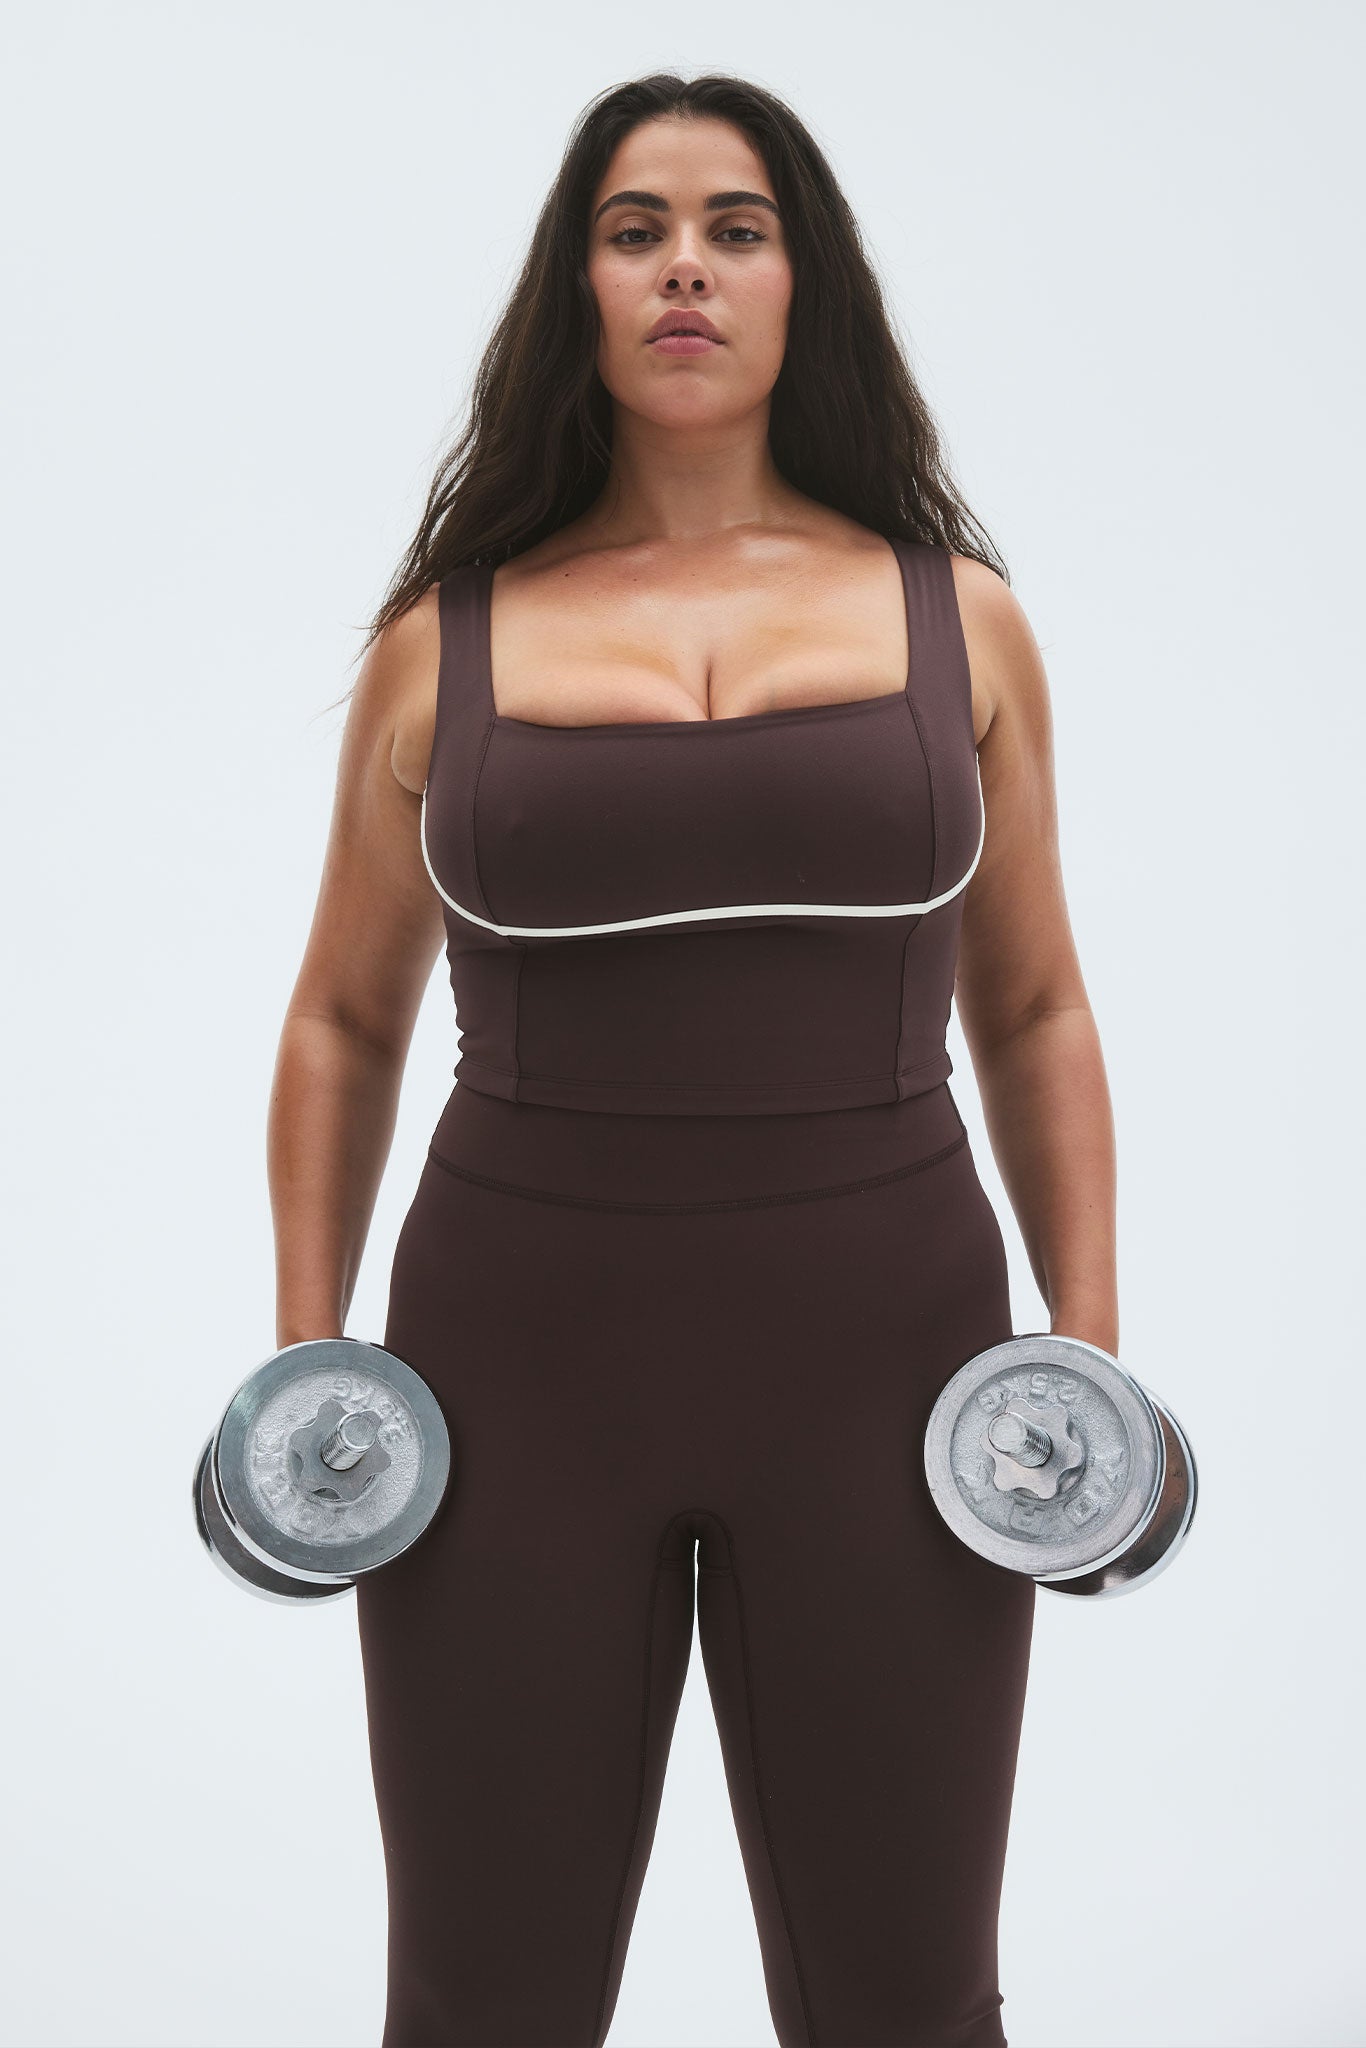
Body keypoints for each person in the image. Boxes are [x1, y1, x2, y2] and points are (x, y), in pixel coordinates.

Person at [269, 71, 1117, 2048]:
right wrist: (312, 1371)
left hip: (885, 1354)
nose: (682, 267)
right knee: (484, 1996)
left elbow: (1031, 1005)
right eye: (634, 226)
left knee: (906, 1995)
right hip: (510, 1359)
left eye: (734, 228)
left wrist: (1078, 1349)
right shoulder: (443, 643)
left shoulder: (956, 620)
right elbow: (341, 1015)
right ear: (572, 282)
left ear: (800, 284)